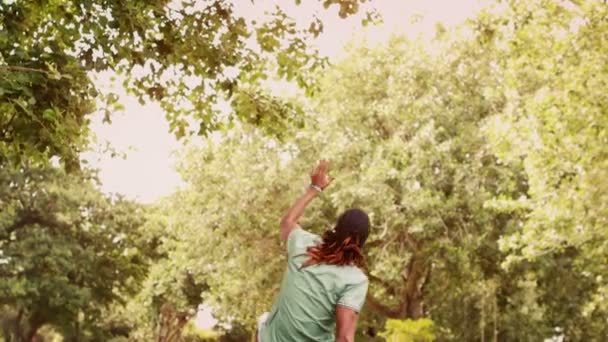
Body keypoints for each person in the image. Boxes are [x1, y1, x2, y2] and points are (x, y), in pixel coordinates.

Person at [257, 160, 370, 342]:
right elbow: (345, 338)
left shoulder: (305, 244)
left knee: (263, 322)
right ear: (362, 243)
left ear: (337, 228)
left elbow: (287, 222)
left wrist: (314, 188)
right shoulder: (355, 280)